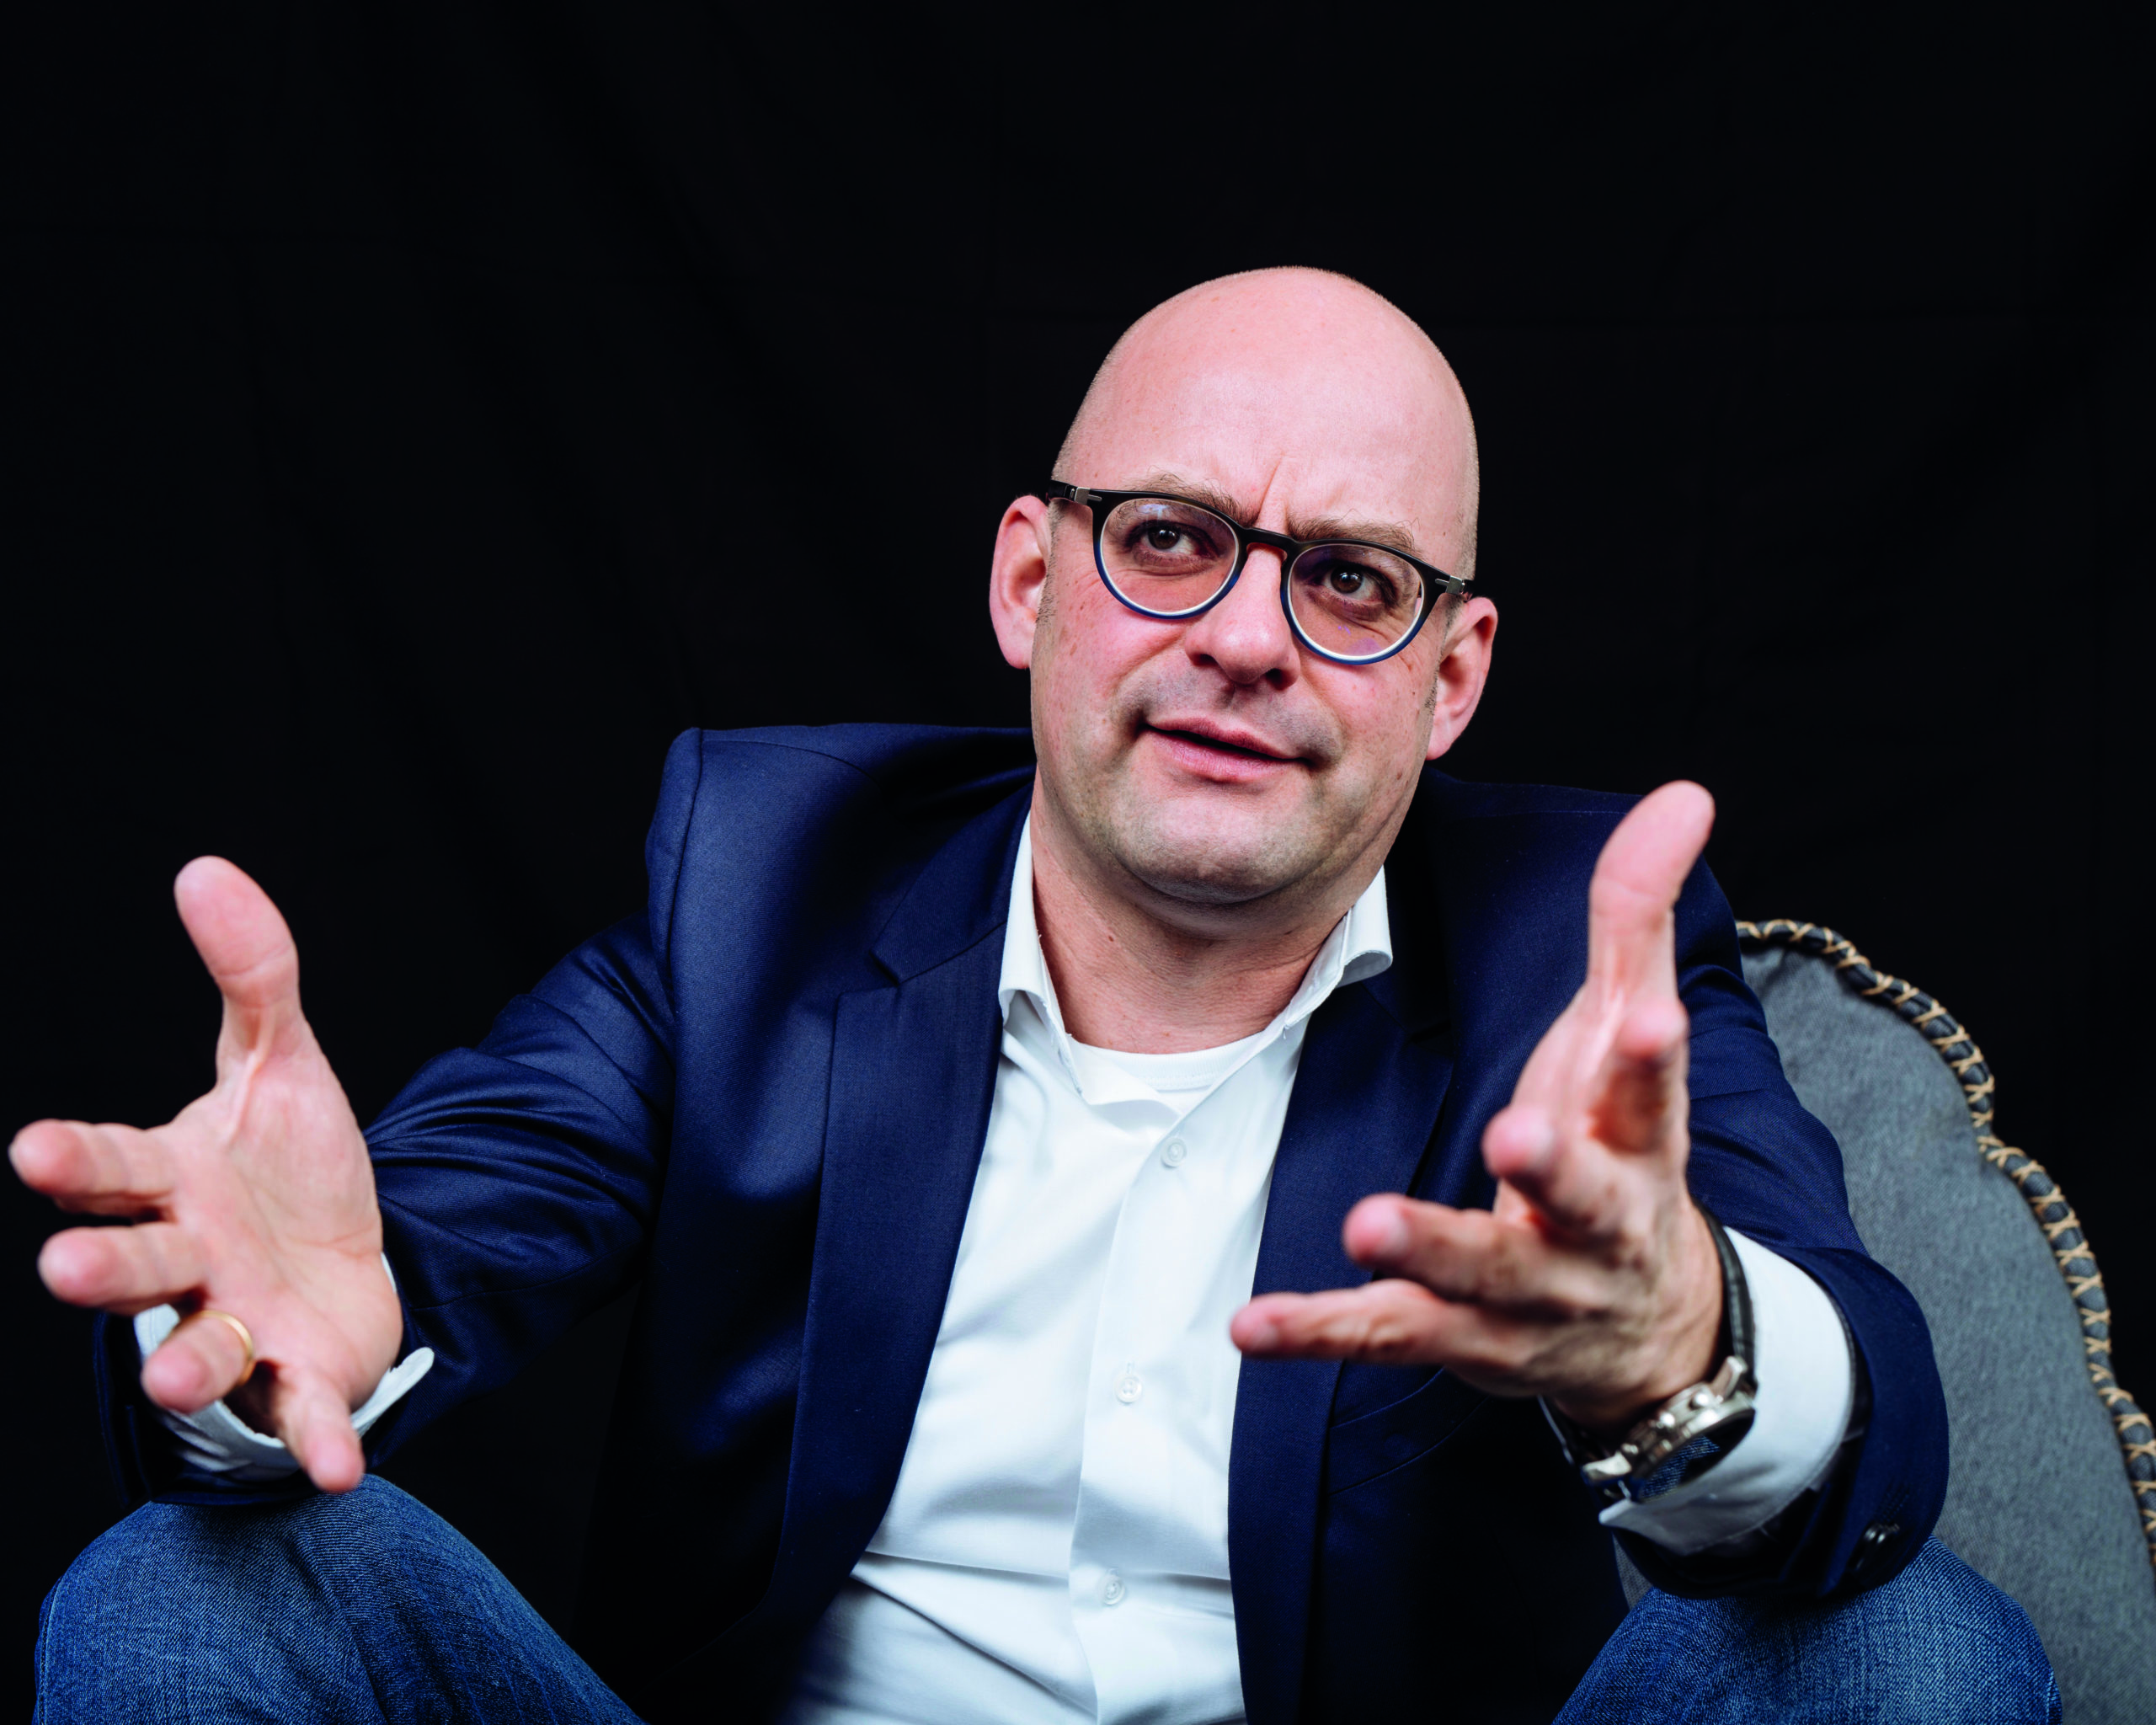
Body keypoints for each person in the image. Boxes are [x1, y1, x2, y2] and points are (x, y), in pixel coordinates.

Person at [16, 269, 2057, 1723]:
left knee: (1907, 1651)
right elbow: (384, 1271)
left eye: (1349, 581)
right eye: (1168, 539)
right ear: (1027, 580)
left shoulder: (1568, 947)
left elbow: (1863, 1439)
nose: (1245, 636)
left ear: (1449, 680)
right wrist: (273, 1355)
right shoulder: (762, 883)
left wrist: (1680, 1353)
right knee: (197, 1590)